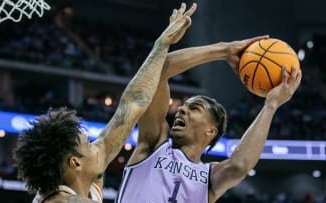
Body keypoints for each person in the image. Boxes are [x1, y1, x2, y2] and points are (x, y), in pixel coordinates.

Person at [13, 3, 197, 203]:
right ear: (75, 163)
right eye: (89, 145)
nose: (98, 145)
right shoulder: (59, 201)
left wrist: (161, 45)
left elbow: (132, 104)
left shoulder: (87, 176)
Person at [115, 35, 302, 202]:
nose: (180, 110)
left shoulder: (209, 177)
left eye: (194, 108)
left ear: (211, 130)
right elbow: (159, 70)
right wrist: (224, 50)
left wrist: (271, 105)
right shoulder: (153, 144)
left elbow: (240, 165)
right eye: (183, 106)